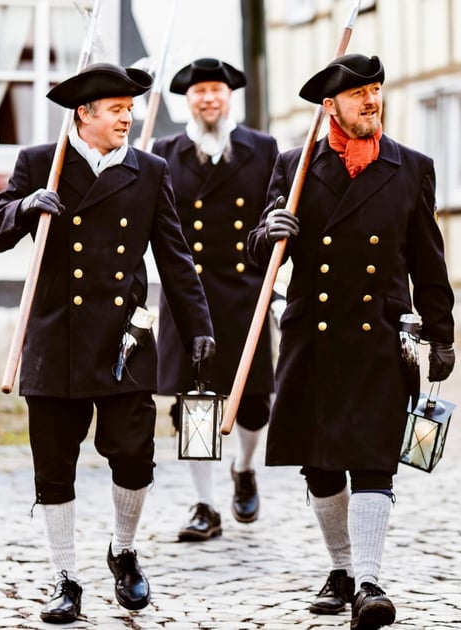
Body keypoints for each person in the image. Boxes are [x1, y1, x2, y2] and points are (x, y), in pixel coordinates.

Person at [0, 63, 214, 623]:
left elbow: (176, 259)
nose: (127, 120)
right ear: (84, 114)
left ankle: (124, 551)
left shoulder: (149, 171)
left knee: (134, 458)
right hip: (54, 341)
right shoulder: (43, 163)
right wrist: (25, 206)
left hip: (123, 342)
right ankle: (65, 578)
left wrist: (200, 326)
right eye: (116, 111)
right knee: (54, 467)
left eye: (130, 110)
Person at [247, 54, 455, 630]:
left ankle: (368, 581)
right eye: (359, 93)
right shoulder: (293, 167)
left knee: (372, 461)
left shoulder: (411, 168)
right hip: (311, 336)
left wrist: (442, 336)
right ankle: (340, 569)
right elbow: (256, 255)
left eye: (377, 91)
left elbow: (427, 261)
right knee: (319, 467)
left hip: (379, 337)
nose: (371, 101)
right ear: (330, 105)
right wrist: (269, 232)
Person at [152, 57, 279, 542]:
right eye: (199, 91)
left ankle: (244, 468)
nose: (209, 99)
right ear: (188, 100)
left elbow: (278, 209)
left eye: (217, 91)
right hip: (188, 297)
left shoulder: (262, 149)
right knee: (193, 404)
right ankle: (204, 505)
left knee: (254, 404)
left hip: (246, 293)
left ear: (230, 98)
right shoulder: (164, 152)